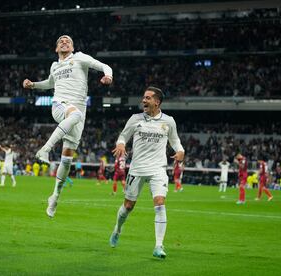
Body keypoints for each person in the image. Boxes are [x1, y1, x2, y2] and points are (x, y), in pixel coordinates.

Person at [23, 34, 113, 218]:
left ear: (72, 47)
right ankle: (45, 150)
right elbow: (50, 84)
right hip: (60, 105)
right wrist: (33, 85)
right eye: (61, 41)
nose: (64, 42)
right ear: (56, 49)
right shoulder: (54, 65)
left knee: (67, 159)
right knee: (75, 114)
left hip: (78, 113)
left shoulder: (80, 58)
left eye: (68, 41)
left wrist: (108, 75)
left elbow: (104, 66)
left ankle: (55, 196)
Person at [109, 87, 185, 259]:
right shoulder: (135, 119)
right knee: (128, 206)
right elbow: (123, 136)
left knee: (159, 203)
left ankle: (159, 246)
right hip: (137, 168)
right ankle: (117, 229)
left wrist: (180, 151)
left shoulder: (169, 121)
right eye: (143, 97)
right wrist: (121, 144)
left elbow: (175, 141)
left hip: (158, 168)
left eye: (148, 98)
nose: (144, 100)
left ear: (157, 102)